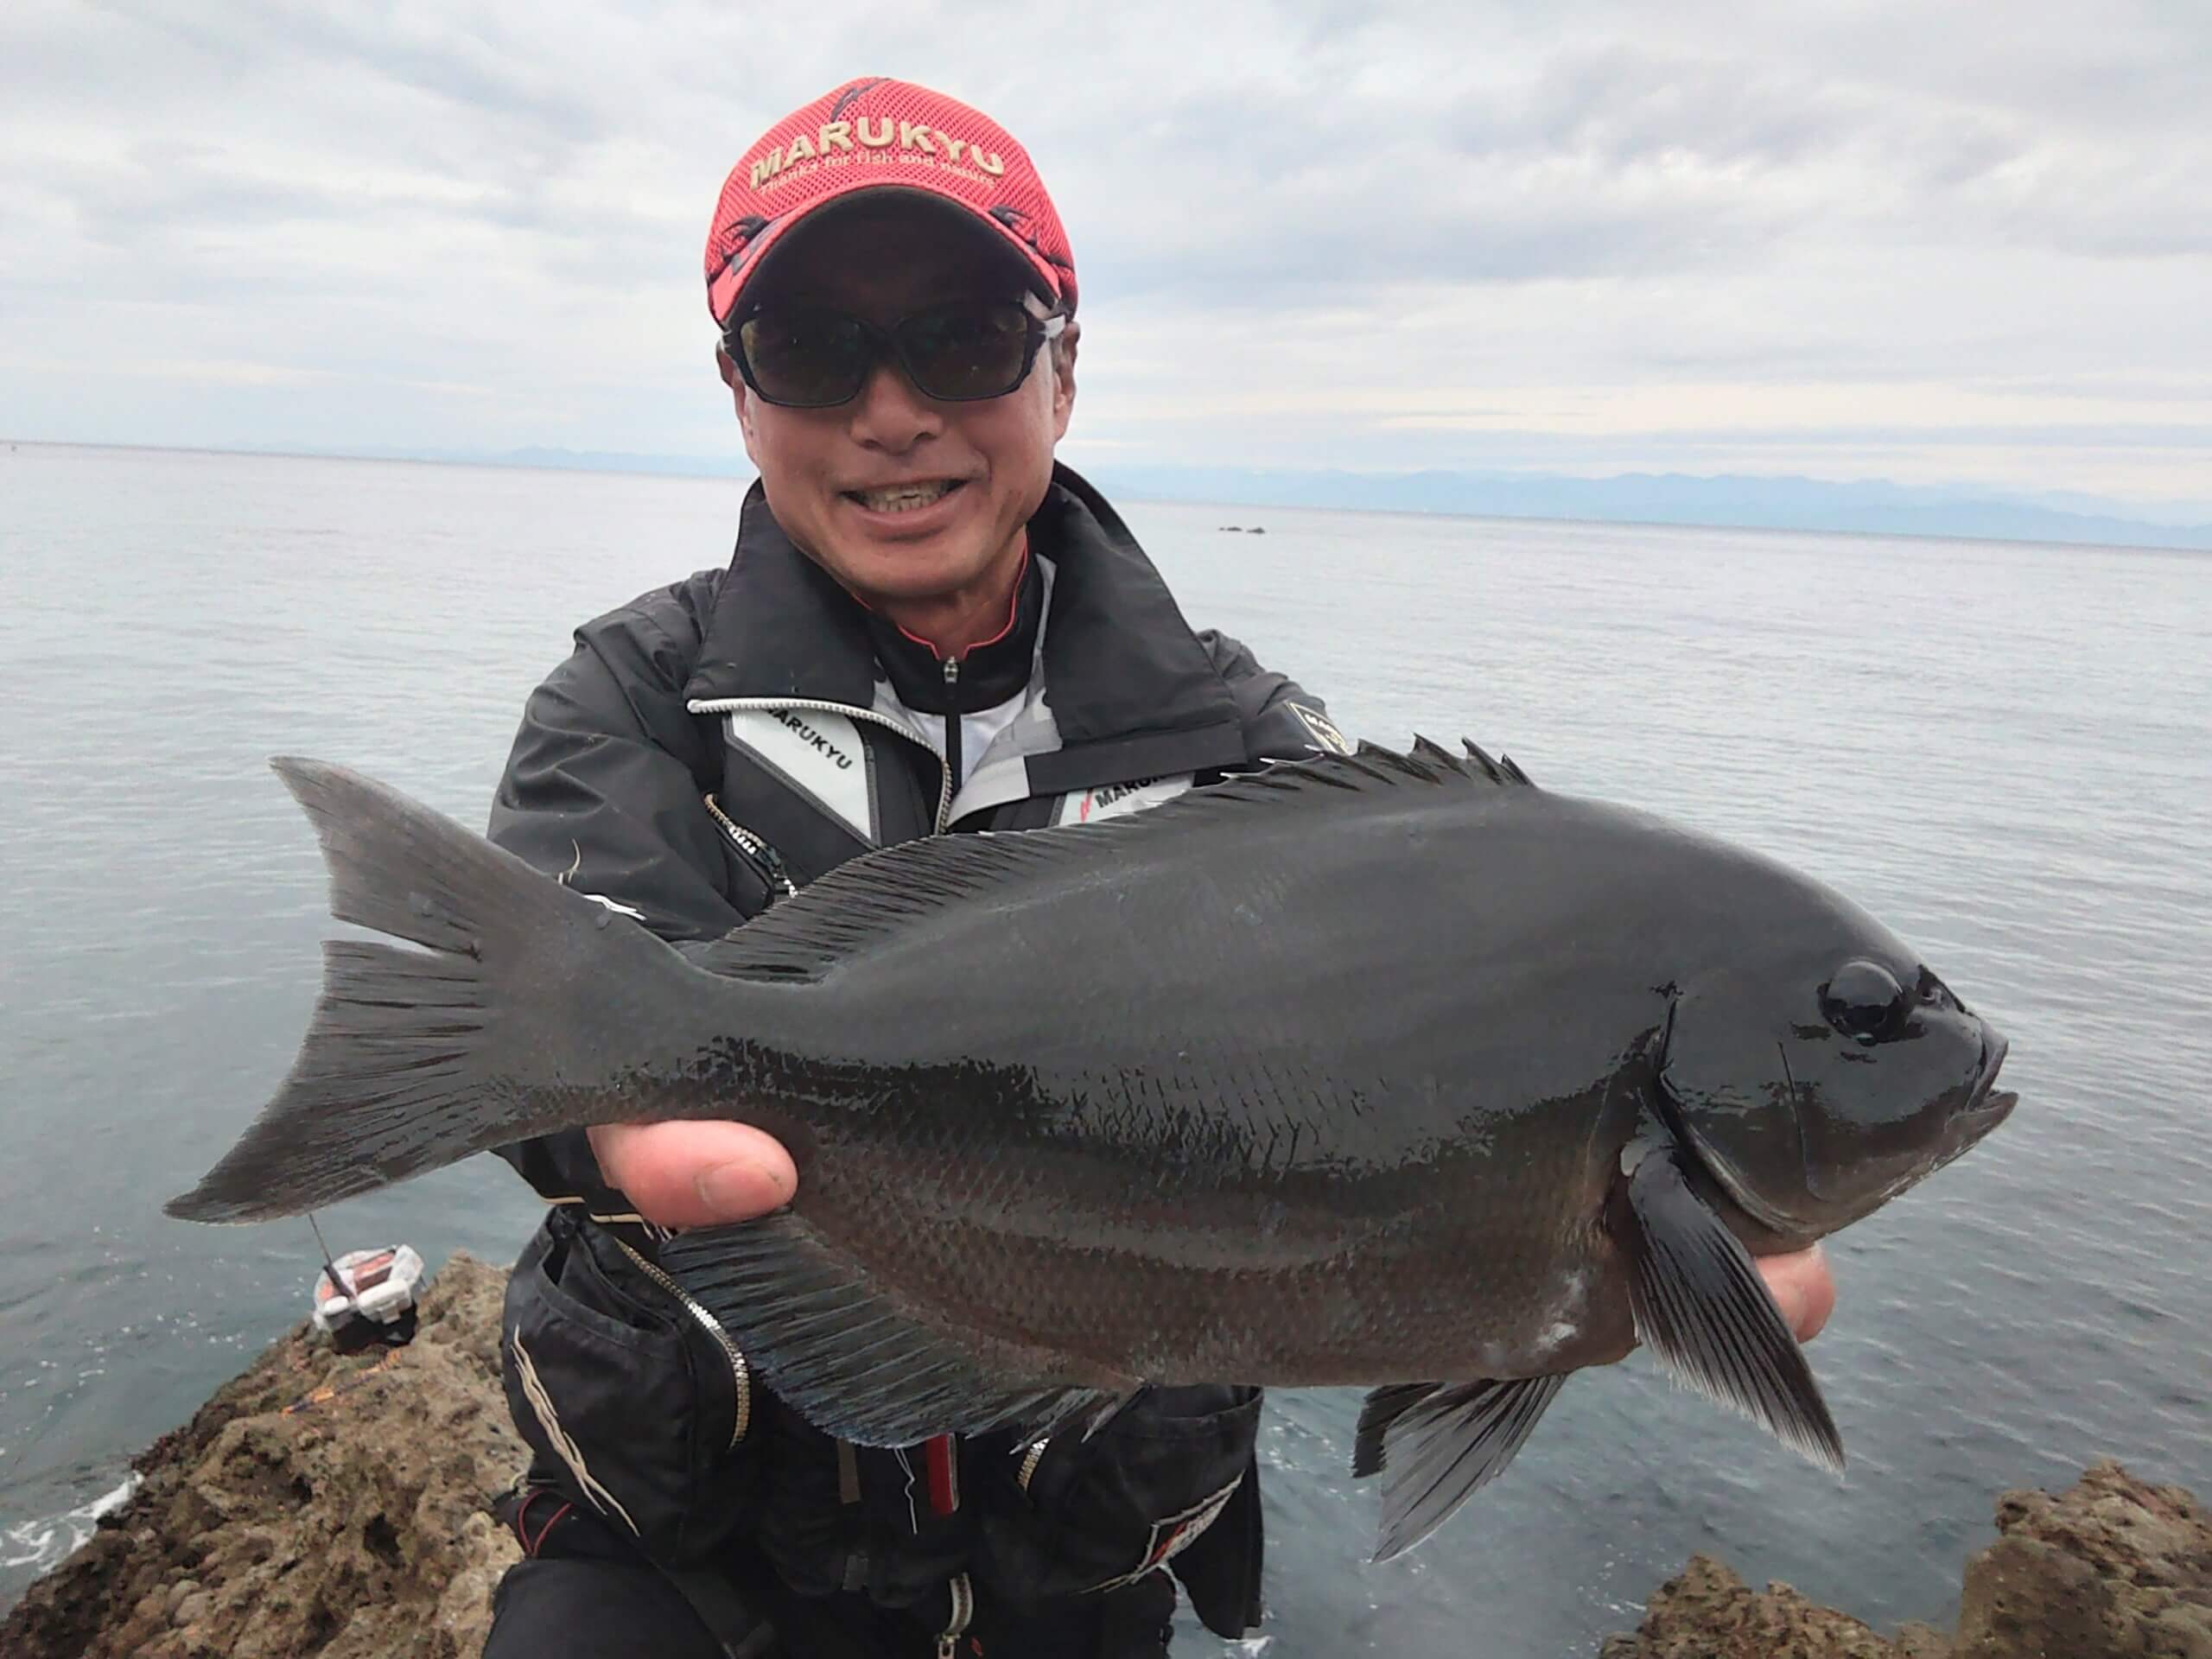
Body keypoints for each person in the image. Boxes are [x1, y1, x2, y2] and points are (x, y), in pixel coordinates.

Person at [477, 76, 1835, 1659]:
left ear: (1062, 371)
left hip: (1076, 1568)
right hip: (685, 1555)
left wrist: (1517, 1255)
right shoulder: (635, 697)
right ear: (739, 394)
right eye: (813, 350)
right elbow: (526, 1012)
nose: (893, 410)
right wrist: (607, 1107)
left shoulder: (1259, 752)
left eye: (966, 339)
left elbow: (1386, 1093)